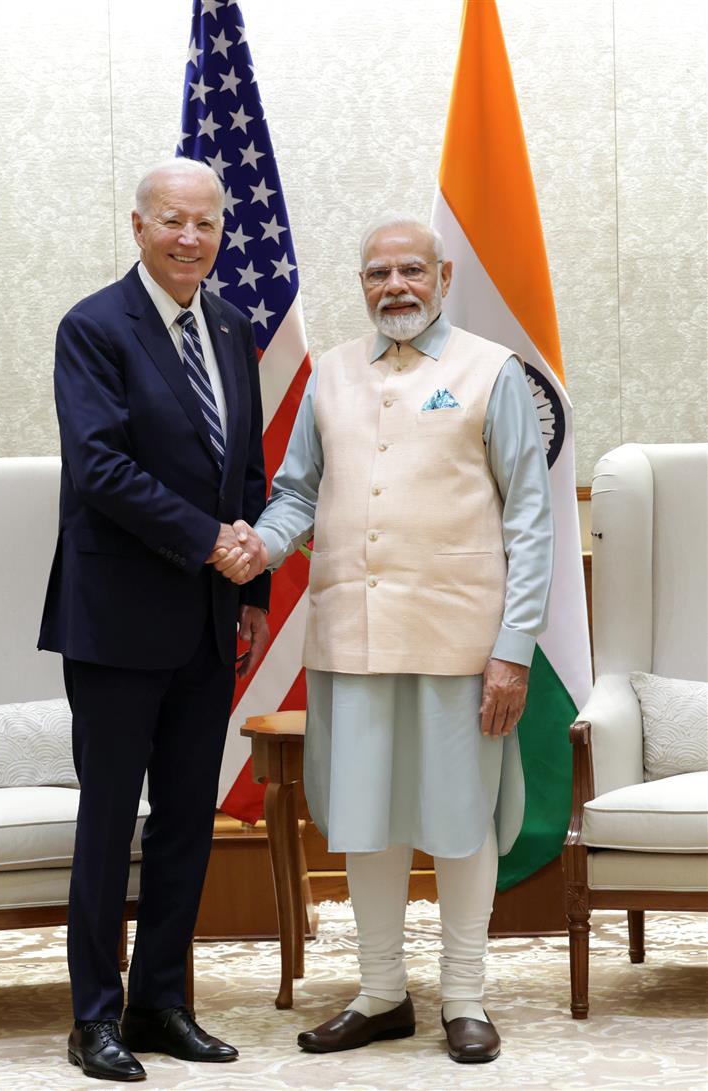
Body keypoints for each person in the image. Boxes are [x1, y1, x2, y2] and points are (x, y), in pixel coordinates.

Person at [215, 213, 553, 1064]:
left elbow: (531, 517)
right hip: (351, 641)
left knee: (462, 818)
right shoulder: (330, 373)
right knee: (365, 819)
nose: (394, 286)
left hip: (460, 642)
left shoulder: (491, 371)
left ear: (442, 277)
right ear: (361, 284)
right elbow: (295, 492)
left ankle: (467, 995)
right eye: (377, 273)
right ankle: (380, 992)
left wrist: (512, 647)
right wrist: (262, 540)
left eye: (411, 270)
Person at [38, 157, 269, 1082]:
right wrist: (212, 541)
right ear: (137, 225)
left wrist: (249, 592)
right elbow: (100, 468)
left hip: (210, 620)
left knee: (185, 820)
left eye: (206, 224)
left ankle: (161, 1001)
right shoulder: (94, 327)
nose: (190, 239)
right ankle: (93, 1015)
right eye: (172, 221)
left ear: (221, 232)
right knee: (107, 820)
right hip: (117, 620)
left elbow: (243, 469)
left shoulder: (231, 322)